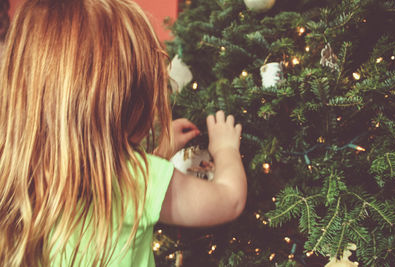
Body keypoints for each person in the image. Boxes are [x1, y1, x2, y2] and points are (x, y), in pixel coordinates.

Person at [0, 0, 247, 266]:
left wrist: (159, 154)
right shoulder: (137, 178)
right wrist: (225, 148)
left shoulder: (20, 173)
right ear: (120, 103)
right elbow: (229, 199)